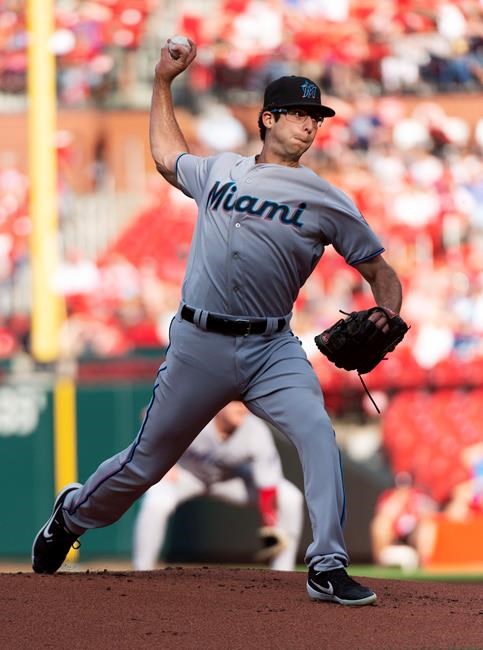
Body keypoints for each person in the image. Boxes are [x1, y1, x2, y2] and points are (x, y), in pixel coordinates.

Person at [32, 38, 403, 606]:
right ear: (268, 119)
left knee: (318, 438)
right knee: (145, 465)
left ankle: (327, 564)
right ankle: (72, 516)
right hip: (199, 343)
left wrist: (387, 312)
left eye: (317, 117)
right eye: (301, 114)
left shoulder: (326, 199)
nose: (311, 125)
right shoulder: (220, 171)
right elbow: (164, 156)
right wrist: (162, 82)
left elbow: (381, 272)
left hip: (272, 348)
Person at [132, 401, 303, 571]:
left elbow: (268, 485)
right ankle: (142, 570)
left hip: (229, 480)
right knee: (157, 503)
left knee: (290, 497)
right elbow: (149, 416)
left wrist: (270, 524)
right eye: (236, 403)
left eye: (245, 403)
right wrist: (162, 461)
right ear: (220, 404)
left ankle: (282, 572)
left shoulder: (256, 431)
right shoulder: (194, 415)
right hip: (187, 475)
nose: (243, 408)